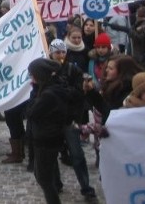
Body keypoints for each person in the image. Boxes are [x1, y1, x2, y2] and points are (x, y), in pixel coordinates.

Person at [49, 39, 97, 200]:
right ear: (51, 53)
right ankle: (56, 183)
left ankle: (85, 187)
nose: (60, 55)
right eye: (57, 52)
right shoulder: (46, 69)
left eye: (63, 52)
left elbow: (79, 94)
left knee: (77, 154)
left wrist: (64, 90)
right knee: (52, 154)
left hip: (69, 118)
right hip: (52, 119)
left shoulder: (72, 70)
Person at [26, 58, 69, 204]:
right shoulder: (53, 88)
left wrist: (34, 93)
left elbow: (31, 112)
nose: (31, 78)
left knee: (44, 179)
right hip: (47, 137)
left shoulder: (48, 94)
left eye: (32, 75)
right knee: (42, 175)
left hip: (46, 139)